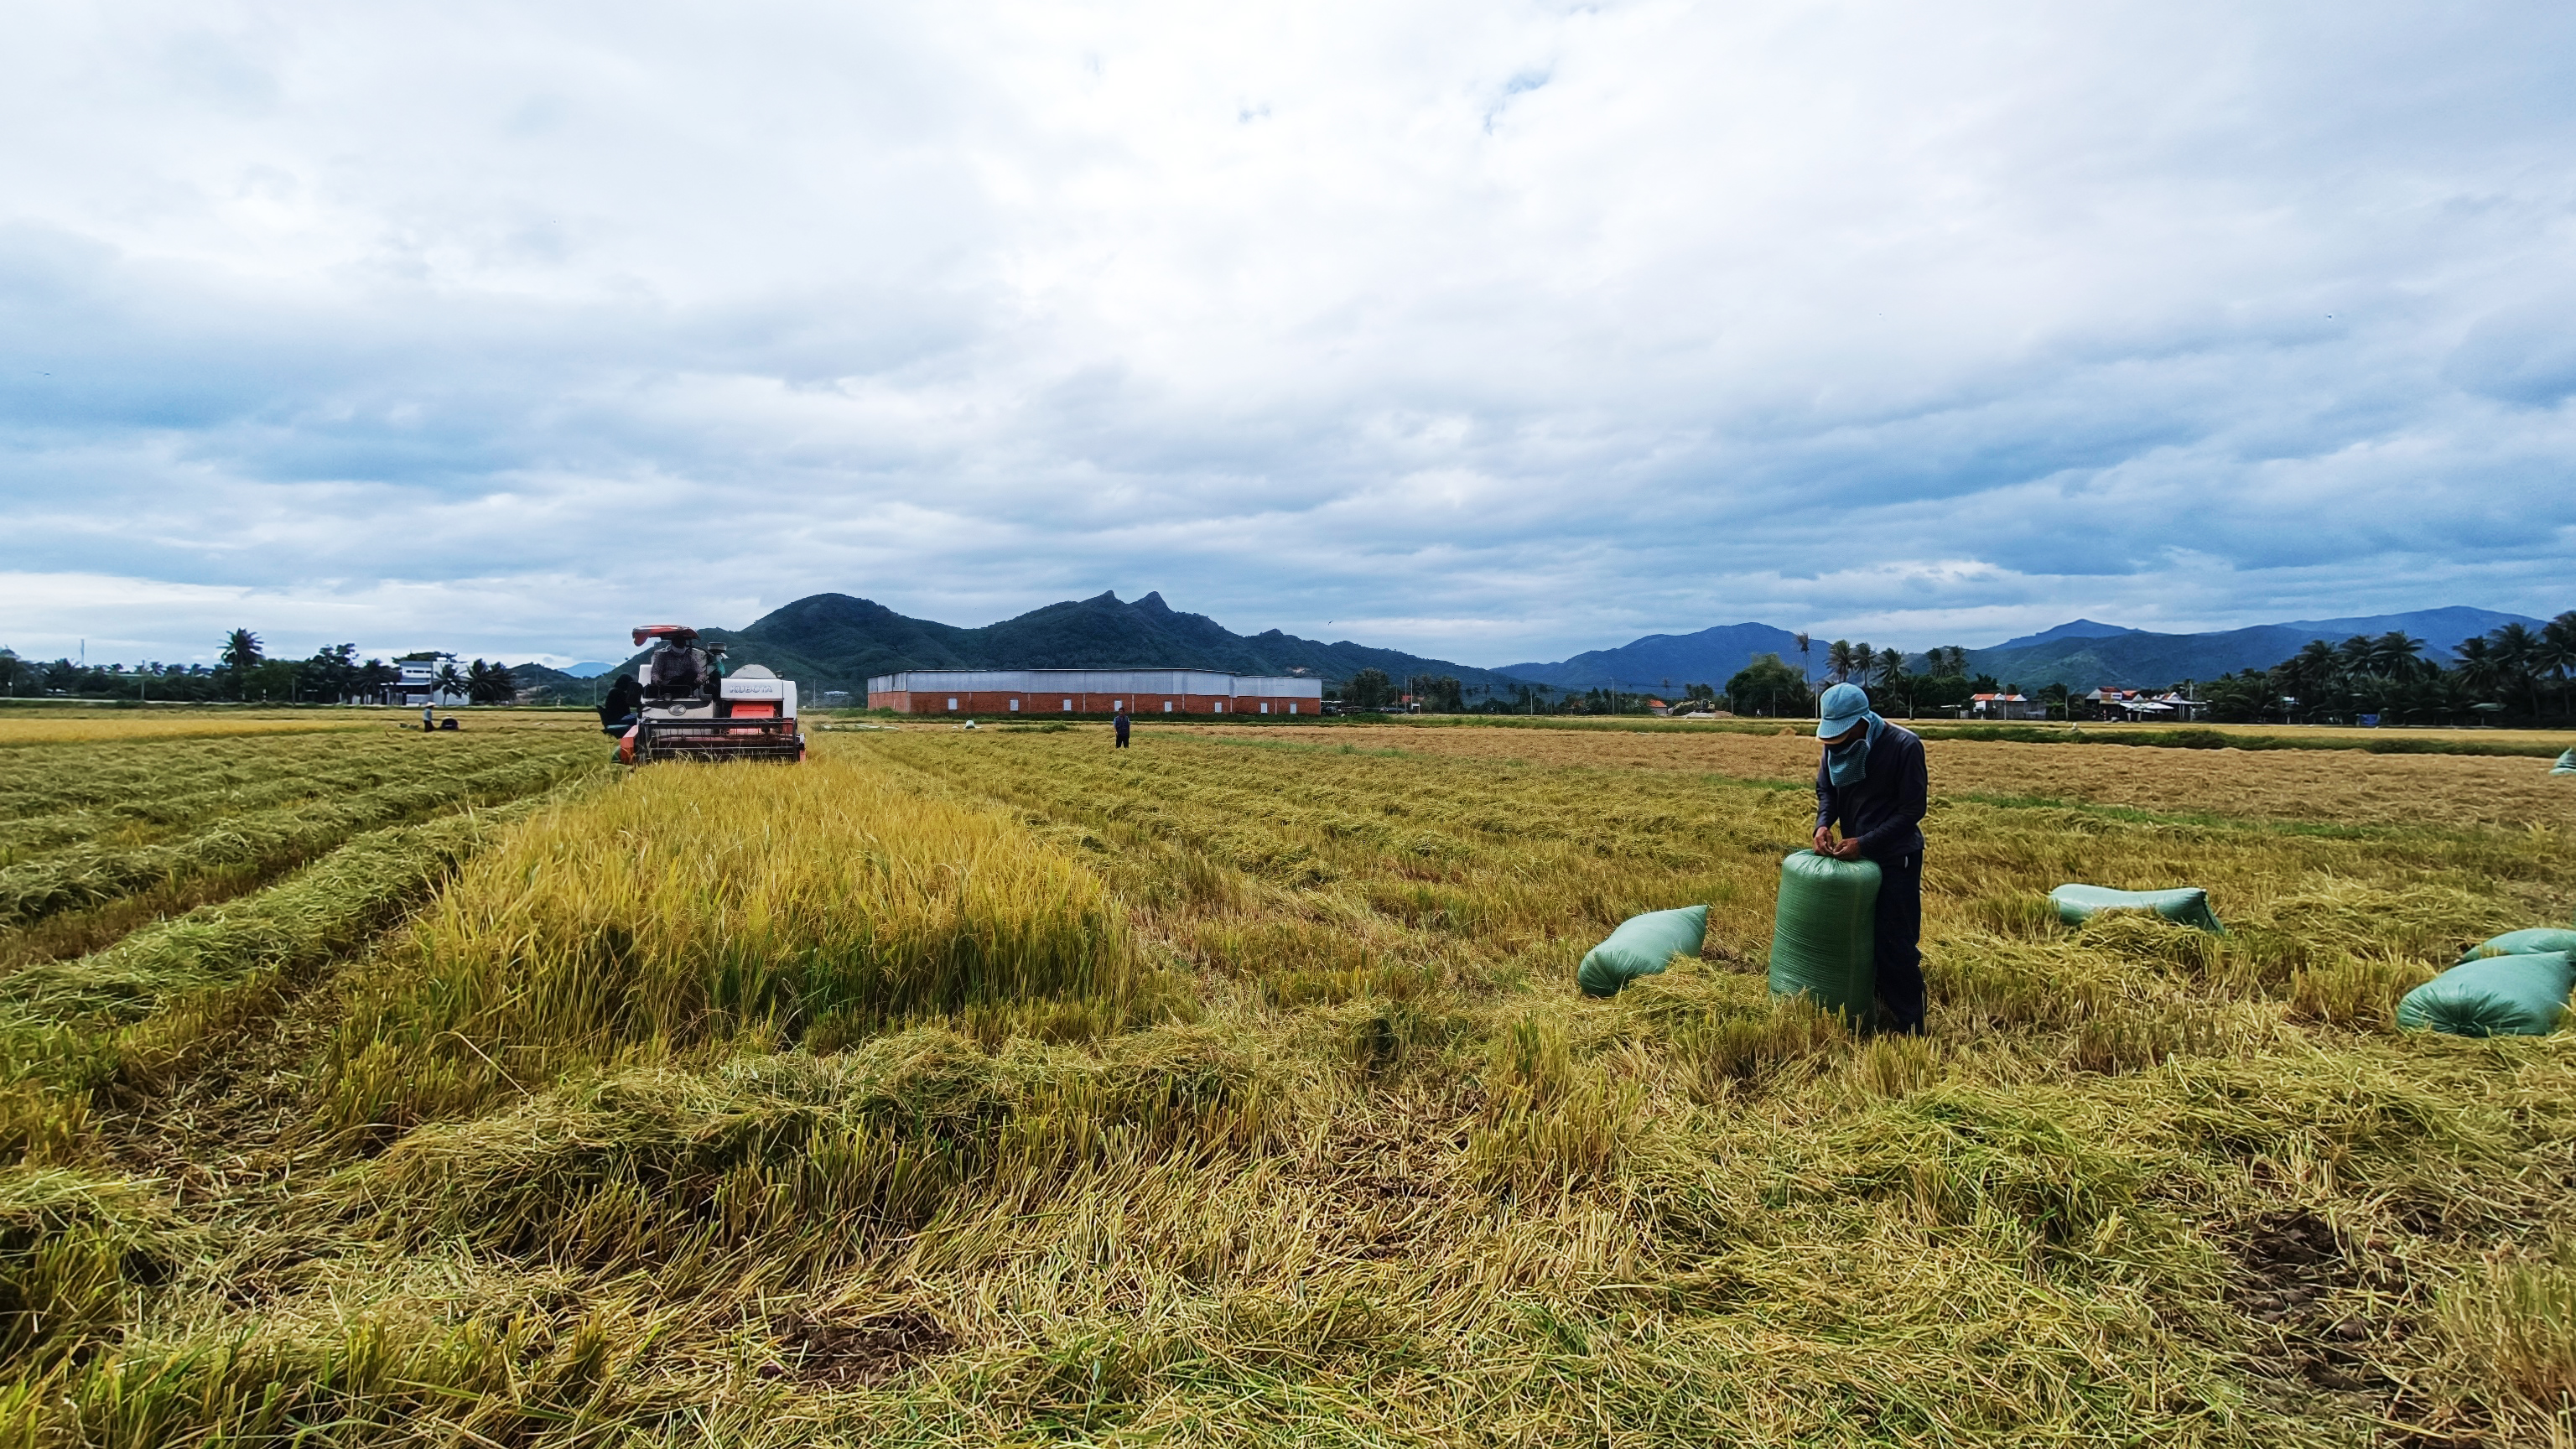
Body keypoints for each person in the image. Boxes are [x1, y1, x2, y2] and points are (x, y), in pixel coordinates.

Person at [1811, 681, 1929, 1034]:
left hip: (1896, 857)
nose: (1837, 743)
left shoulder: (1904, 746)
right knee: (1860, 935)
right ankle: (1874, 1002)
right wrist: (1823, 824)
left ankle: (1910, 1025)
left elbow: (1912, 811)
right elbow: (1827, 791)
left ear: (1863, 721)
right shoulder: (1835, 748)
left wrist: (1865, 842)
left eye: (1844, 733)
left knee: (1896, 941)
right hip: (1857, 856)